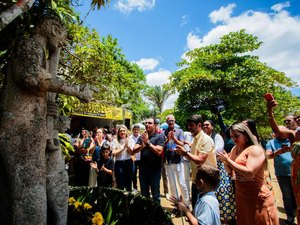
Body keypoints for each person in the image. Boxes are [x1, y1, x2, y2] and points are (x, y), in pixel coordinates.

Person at [217, 123, 279, 225]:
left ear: (246, 135)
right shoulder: (235, 149)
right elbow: (229, 171)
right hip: (242, 196)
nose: (234, 139)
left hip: (257, 197)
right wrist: (225, 162)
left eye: (236, 136)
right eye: (232, 136)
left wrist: (228, 161)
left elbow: (249, 173)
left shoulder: (255, 150)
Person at [267, 99, 300, 224]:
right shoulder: (293, 135)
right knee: (290, 198)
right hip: (295, 172)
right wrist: (269, 110)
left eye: (290, 120)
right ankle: (291, 219)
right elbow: (276, 128)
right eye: (285, 121)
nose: (287, 122)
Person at [176, 114, 217, 209]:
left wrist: (185, 153)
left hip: (206, 183)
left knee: (204, 212)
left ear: (199, 125)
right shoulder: (195, 139)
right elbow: (194, 158)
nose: (189, 127)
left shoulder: (205, 139)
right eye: (188, 125)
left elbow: (200, 160)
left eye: (192, 125)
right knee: (196, 208)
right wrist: (183, 153)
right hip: (196, 180)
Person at [203, 120, 236, 224]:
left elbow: (218, 150)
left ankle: (225, 217)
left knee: (222, 191)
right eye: (203, 125)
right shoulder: (202, 137)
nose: (205, 126)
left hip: (219, 168)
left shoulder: (217, 137)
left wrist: (204, 152)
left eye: (207, 124)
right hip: (208, 167)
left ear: (212, 126)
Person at [266, 132, 296, 225]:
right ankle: (290, 218)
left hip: (296, 172)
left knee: (296, 194)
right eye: (277, 133)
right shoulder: (271, 143)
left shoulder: (292, 140)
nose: (280, 135)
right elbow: (268, 155)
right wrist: (277, 152)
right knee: (286, 196)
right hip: (282, 173)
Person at [133, 118, 164, 204]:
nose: (147, 124)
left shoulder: (159, 136)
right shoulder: (142, 137)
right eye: (146, 123)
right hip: (143, 170)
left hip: (155, 170)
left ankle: (156, 215)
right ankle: (146, 214)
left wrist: (148, 143)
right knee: (144, 195)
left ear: (155, 125)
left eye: (150, 123)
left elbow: (159, 151)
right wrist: (142, 146)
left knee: (155, 195)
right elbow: (134, 150)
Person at [163, 115, 190, 208]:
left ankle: (186, 205)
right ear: (166, 122)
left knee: (182, 183)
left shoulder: (179, 131)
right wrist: (168, 139)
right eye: (169, 121)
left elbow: (182, 143)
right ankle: (176, 206)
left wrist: (174, 138)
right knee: (172, 185)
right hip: (168, 162)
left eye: (172, 120)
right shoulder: (164, 131)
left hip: (178, 161)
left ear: (174, 121)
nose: (170, 122)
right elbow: (162, 145)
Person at [111, 125, 134, 191]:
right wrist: (122, 148)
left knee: (129, 184)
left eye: (124, 130)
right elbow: (114, 153)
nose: (122, 132)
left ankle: (129, 199)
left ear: (126, 131)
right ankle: (121, 199)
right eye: (120, 131)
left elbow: (132, 153)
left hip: (128, 162)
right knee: (120, 183)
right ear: (118, 132)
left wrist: (128, 147)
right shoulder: (115, 141)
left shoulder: (131, 140)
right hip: (119, 163)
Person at [130, 125, 141, 191]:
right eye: (134, 129)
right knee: (134, 173)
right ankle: (135, 187)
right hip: (133, 158)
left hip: (141, 158)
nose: (136, 131)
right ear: (132, 130)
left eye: (137, 129)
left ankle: (143, 187)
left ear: (139, 130)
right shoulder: (130, 137)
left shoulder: (141, 137)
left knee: (142, 174)